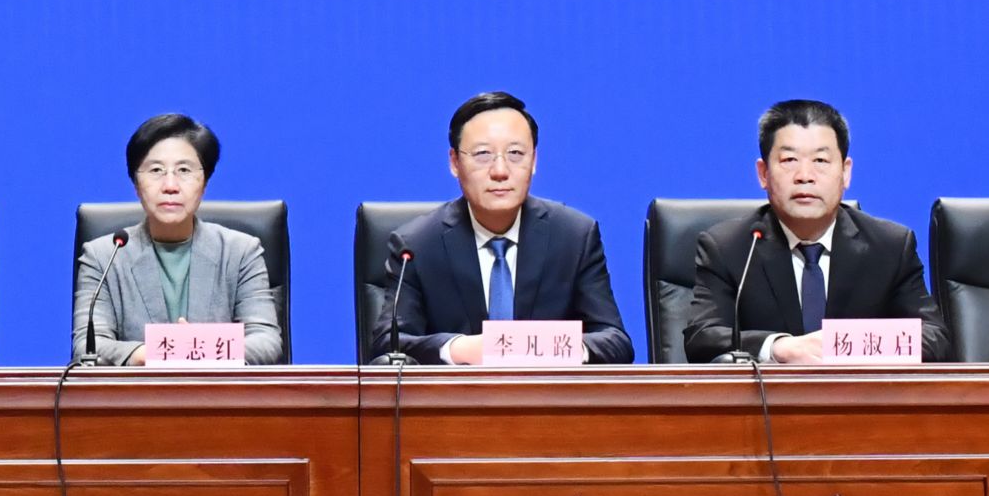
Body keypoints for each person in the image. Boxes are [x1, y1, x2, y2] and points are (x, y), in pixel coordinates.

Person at [367, 91, 632, 363]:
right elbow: (388, 344)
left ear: (534, 161)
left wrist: (549, 348)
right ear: (455, 162)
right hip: (459, 391)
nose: (500, 171)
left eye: (515, 153)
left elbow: (615, 341)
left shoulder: (574, 236)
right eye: (483, 154)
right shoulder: (417, 245)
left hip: (547, 390)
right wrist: (459, 349)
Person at [673, 99, 946, 361]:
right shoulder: (728, 247)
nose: (805, 176)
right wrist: (778, 347)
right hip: (767, 394)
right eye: (789, 160)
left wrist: (843, 345)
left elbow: (934, 339)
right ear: (763, 174)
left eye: (821, 161)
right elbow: (702, 337)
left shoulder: (889, 246)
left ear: (845, 172)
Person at [71, 113, 285, 364]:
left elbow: (266, 342)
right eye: (156, 170)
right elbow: (88, 347)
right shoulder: (104, 256)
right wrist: (161, 353)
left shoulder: (240, 252)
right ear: (136, 184)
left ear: (204, 183)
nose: (170, 185)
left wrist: (196, 348)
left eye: (184, 170)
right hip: (139, 390)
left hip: (217, 390)